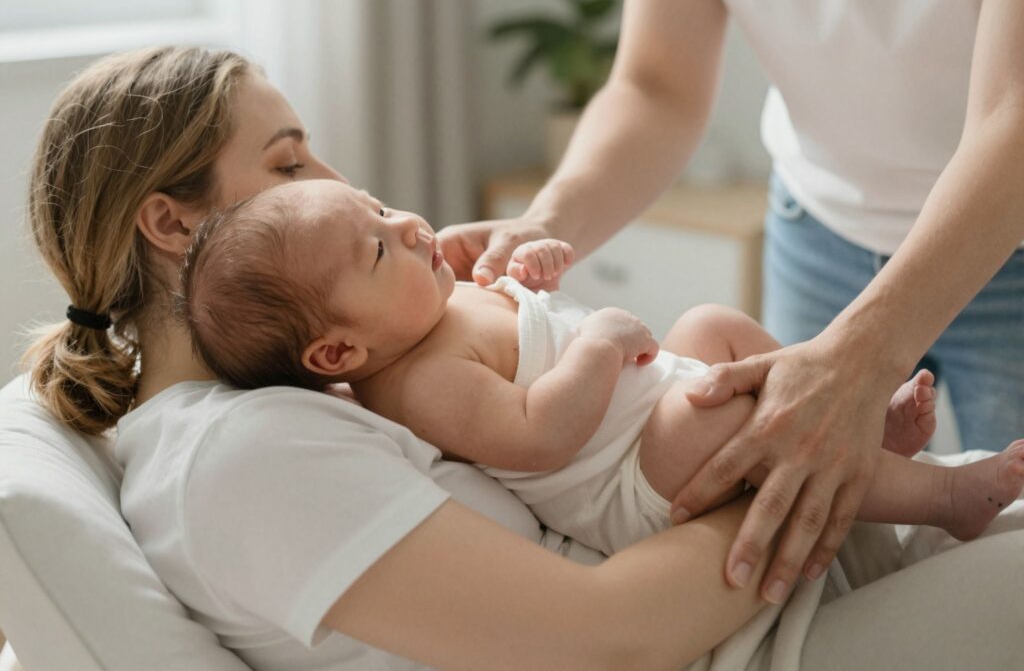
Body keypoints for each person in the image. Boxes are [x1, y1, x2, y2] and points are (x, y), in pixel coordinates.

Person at [21, 45, 1024, 671]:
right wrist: (796, 456)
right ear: (171, 220)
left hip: (779, 588)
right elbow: (609, 639)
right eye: (287, 162)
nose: (333, 181)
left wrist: (463, 304)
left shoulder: (315, 388)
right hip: (766, 633)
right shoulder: (238, 458)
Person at [437, 0, 1024, 605]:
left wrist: (857, 359)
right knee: (831, 557)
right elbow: (657, 86)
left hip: (1005, 235)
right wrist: (546, 222)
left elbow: (1013, 117)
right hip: (818, 228)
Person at [180, 178, 1024, 565]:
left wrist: (537, 268)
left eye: (378, 205)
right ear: (337, 355)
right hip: (633, 480)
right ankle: (946, 499)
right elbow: (540, 435)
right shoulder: (417, 381)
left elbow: (534, 312)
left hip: (656, 403)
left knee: (715, 328)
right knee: (721, 414)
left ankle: (861, 434)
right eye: (376, 246)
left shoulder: (441, 308)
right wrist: (599, 344)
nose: (405, 225)